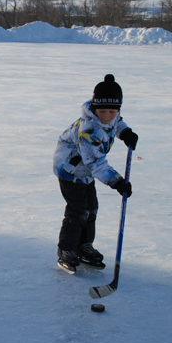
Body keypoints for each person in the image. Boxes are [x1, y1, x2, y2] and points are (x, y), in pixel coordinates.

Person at [53, 74, 138, 273]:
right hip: (70, 170)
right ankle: (66, 249)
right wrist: (117, 181)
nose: (107, 116)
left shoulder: (111, 117)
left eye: (112, 111)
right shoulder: (89, 130)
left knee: (91, 208)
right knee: (78, 210)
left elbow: (117, 123)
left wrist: (125, 133)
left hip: (86, 171)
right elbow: (96, 163)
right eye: (102, 111)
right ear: (94, 107)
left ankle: (84, 245)